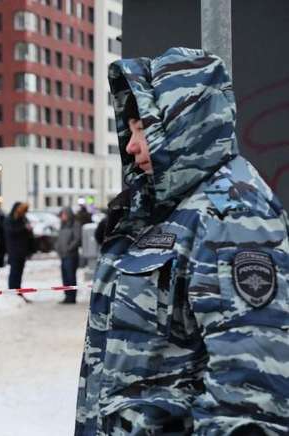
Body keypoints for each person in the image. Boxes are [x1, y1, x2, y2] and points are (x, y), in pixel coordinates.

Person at [75, 47, 289, 435]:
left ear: (184, 121)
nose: (131, 145)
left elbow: (252, 392)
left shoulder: (233, 216)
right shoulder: (168, 208)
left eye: (143, 128)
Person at [4, 202, 33, 290]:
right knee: (14, 272)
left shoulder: (23, 219)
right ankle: (13, 291)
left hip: (22, 251)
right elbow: (11, 232)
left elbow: (28, 234)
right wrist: (24, 228)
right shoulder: (9, 219)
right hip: (14, 251)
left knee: (19, 273)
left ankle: (18, 290)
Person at [55, 207, 81, 304]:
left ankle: (72, 297)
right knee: (65, 276)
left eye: (64, 214)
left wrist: (69, 248)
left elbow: (77, 239)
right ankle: (67, 296)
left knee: (71, 276)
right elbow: (59, 238)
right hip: (63, 255)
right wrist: (57, 247)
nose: (62, 216)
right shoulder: (62, 225)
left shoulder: (75, 224)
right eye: (62, 215)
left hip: (71, 255)